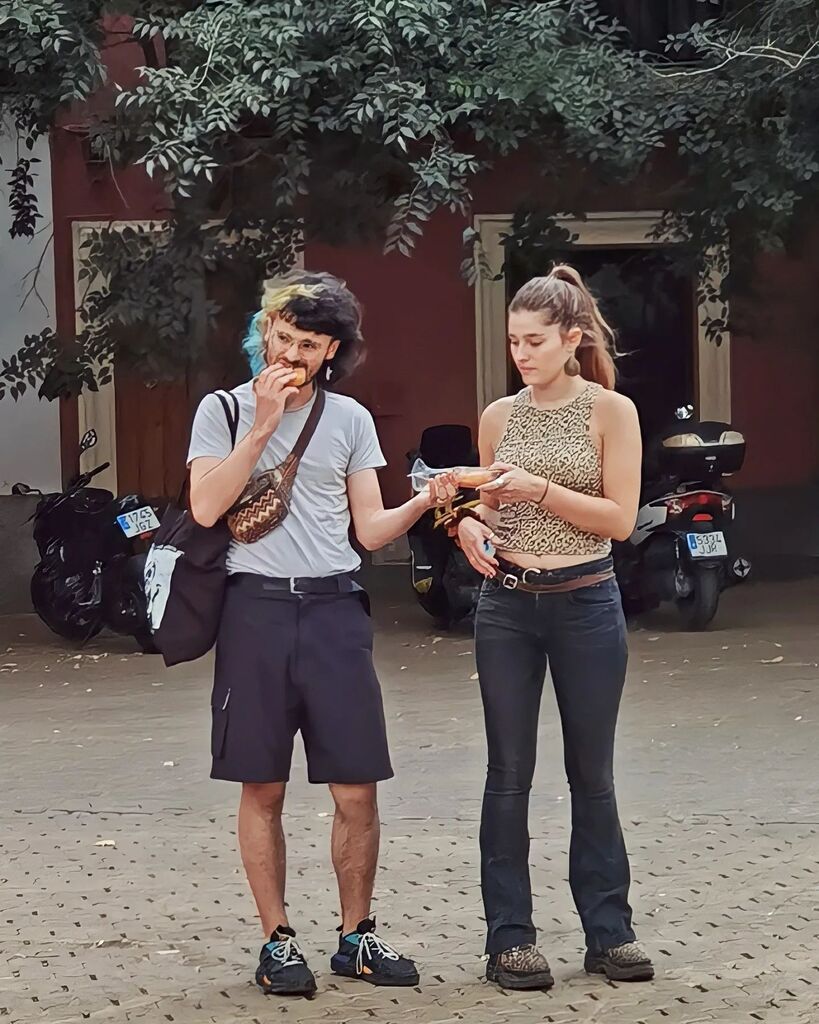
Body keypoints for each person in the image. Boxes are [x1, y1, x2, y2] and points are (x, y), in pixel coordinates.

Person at [186, 271, 455, 998]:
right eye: (282, 337)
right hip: (255, 610)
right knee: (262, 785)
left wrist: (425, 501)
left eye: (309, 344)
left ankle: (355, 936)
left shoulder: (350, 420)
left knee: (357, 789)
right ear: (263, 333)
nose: (292, 354)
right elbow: (207, 507)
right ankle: (275, 940)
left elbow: (368, 529)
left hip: (336, 607)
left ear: (331, 349)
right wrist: (263, 427)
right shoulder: (221, 409)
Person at [453, 265, 654, 990]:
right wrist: (465, 523)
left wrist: (538, 487)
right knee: (506, 774)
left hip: (586, 601)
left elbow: (620, 520)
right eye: (513, 342)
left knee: (590, 774)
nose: (522, 354)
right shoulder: (497, 416)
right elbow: (488, 509)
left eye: (535, 341)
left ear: (571, 339)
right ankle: (509, 936)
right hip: (507, 604)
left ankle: (609, 931)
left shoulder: (610, 410)